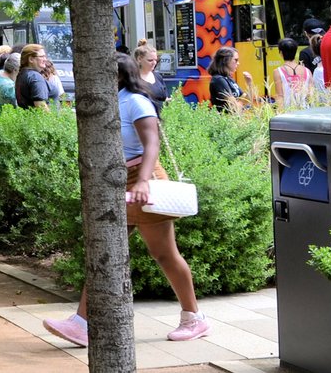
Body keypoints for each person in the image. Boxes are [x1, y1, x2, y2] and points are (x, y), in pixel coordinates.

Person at [44, 53, 209, 347]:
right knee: (105, 251)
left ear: (117, 75)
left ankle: (194, 318)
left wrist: (145, 180)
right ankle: (82, 323)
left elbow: (152, 143)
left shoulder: (136, 101)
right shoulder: (114, 99)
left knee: (165, 254)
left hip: (142, 183)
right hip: (120, 183)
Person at [273, 37, 313, 108]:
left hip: (288, 113)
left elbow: (280, 96)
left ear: (281, 53)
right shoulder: (307, 71)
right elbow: (311, 95)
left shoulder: (278, 72)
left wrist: (280, 113)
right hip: (306, 111)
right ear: (295, 51)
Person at [133, 41, 169, 113]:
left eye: (155, 60)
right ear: (139, 59)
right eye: (150, 60)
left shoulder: (158, 77)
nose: (154, 63)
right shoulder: (133, 79)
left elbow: (165, 98)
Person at [208, 46, 246, 113]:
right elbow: (235, 108)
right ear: (226, 60)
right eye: (235, 60)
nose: (238, 63)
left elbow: (247, 99)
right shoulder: (218, 80)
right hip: (225, 120)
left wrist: (250, 84)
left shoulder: (228, 78)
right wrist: (240, 103)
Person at [14, 44, 51, 109]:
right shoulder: (35, 77)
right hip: (39, 118)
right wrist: (53, 119)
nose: (45, 59)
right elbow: (41, 107)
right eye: (42, 56)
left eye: (45, 56)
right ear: (31, 59)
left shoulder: (21, 74)